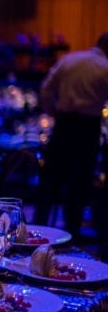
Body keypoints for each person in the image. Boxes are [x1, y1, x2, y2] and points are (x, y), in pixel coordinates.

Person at [35, 32, 108, 240]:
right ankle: (70, 236)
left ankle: (37, 231)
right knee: (79, 186)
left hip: (64, 124)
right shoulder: (105, 67)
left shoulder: (70, 60)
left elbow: (46, 89)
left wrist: (52, 111)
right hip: (88, 129)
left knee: (50, 181)